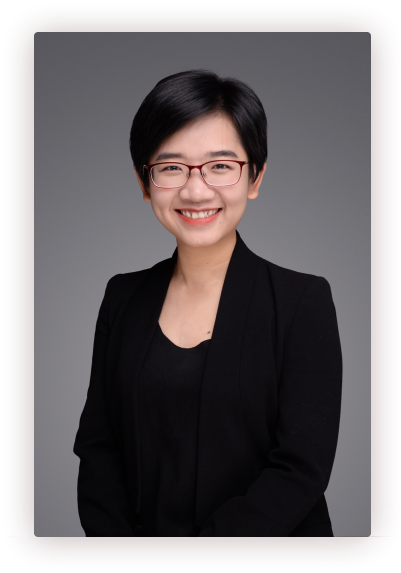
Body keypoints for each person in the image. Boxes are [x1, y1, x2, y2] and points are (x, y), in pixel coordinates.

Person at [73, 70, 342, 537]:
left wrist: (199, 562)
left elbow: (301, 469)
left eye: (220, 166)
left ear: (255, 177)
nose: (196, 191)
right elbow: (99, 447)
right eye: (171, 167)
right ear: (145, 183)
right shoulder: (122, 297)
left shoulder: (302, 301)